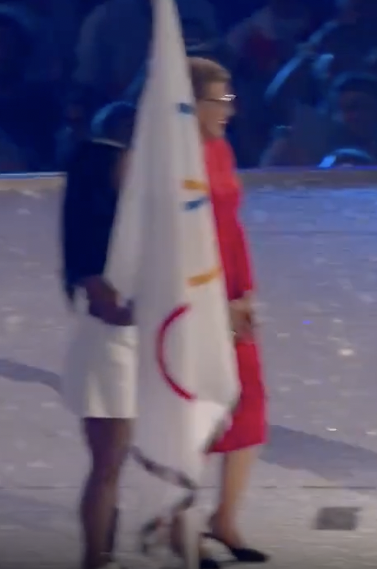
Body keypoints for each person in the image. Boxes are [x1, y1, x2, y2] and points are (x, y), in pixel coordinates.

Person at [143, 57, 269, 566]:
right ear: (190, 103)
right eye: (220, 101)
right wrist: (214, 302)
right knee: (192, 413)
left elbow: (230, 228)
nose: (229, 111)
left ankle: (226, 518)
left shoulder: (219, 148)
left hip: (229, 291)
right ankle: (179, 527)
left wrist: (244, 293)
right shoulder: (171, 160)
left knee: (250, 401)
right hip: (191, 298)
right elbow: (176, 243)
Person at [59, 112, 136, 569]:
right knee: (108, 463)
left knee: (113, 463)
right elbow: (115, 309)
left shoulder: (105, 242)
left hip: (116, 349)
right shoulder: (94, 256)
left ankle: (102, 552)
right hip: (110, 351)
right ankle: (96, 558)